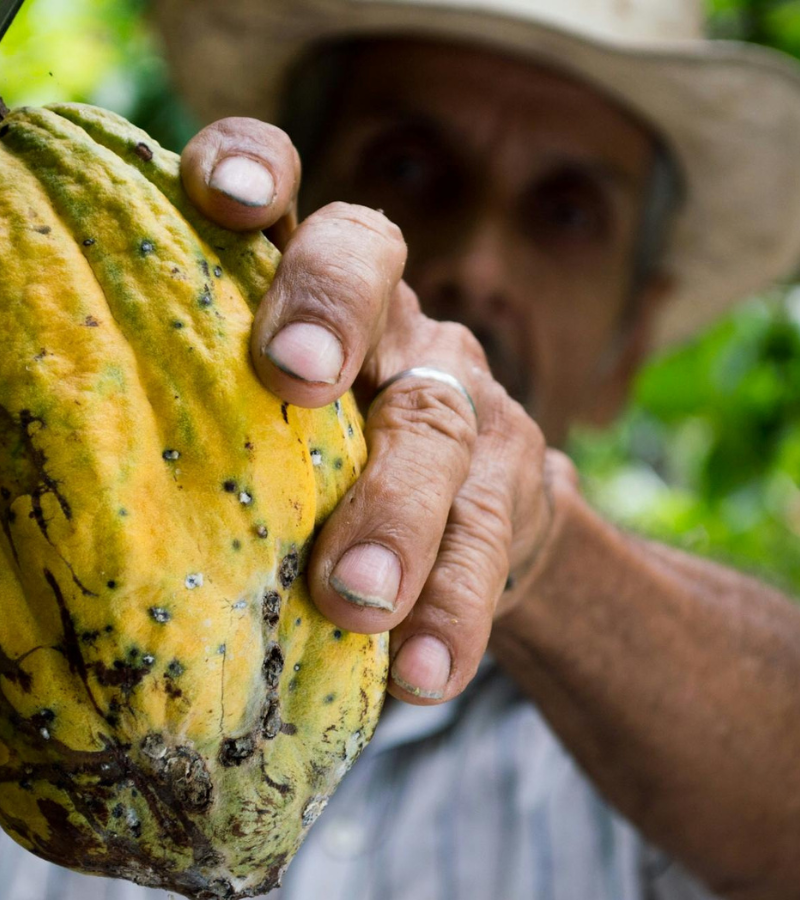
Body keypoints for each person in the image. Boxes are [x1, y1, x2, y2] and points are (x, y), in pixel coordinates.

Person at [5, 0, 800, 898]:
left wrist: (537, 545)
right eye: (410, 165)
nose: (480, 265)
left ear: (632, 340)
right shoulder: (40, 519)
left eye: (567, 214)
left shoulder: (677, 770)